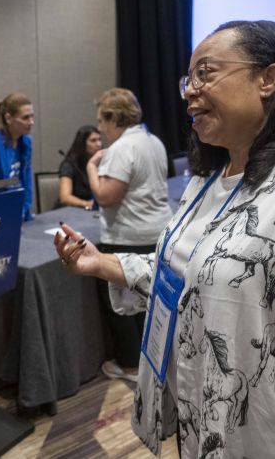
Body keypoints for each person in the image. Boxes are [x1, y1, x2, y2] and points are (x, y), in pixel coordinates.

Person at [55, 21, 275, 457]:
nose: (190, 91)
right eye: (188, 79)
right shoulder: (213, 176)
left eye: (206, 73)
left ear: (269, 78)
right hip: (209, 431)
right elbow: (192, 277)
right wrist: (102, 264)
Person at [88, 88, 173, 382]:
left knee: (123, 305)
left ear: (112, 118)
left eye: (101, 120)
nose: (99, 127)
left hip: (128, 235)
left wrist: (91, 168)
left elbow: (105, 196)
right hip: (157, 230)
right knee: (146, 302)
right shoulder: (154, 141)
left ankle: (129, 365)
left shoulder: (121, 149)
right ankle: (147, 359)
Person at [0, 92, 35, 221]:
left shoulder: (26, 140)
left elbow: (26, 180)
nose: (31, 122)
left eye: (32, 117)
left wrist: (24, 210)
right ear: (8, 118)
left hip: (19, 213)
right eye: (25, 118)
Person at [57, 125, 102, 209]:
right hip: (71, 211)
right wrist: (86, 203)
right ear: (82, 144)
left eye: (99, 140)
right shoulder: (69, 164)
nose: (99, 144)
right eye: (93, 141)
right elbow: (64, 197)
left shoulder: (102, 163)